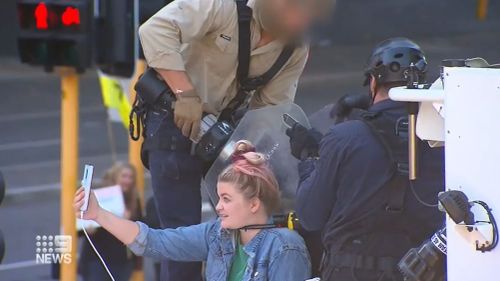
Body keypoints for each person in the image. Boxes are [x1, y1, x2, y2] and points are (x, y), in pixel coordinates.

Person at [135, 0, 333, 279]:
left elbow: (270, 111)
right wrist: (185, 92)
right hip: (173, 121)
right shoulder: (221, 5)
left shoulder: (294, 47)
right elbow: (154, 30)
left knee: (240, 226)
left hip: (225, 132)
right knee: (182, 233)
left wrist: (252, 151)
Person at [288, 38, 445, 280]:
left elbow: (310, 216)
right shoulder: (445, 140)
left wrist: (309, 158)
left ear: (373, 82)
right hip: (420, 271)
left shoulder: (344, 137)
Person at [74, 141, 311, 281]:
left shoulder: (286, 247)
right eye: (218, 198)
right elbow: (154, 241)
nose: (218, 206)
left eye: (226, 199)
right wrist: (98, 214)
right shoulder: (217, 234)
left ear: (254, 204)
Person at [78, 163, 142, 281]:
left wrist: (129, 220)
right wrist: (88, 229)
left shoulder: (133, 200)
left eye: (130, 177)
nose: (127, 180)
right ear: (115, 176)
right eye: (124, 176)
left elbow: (141, 227)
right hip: (96, 259)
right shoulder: (98, 196)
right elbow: (79, 227)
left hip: (122, 261)